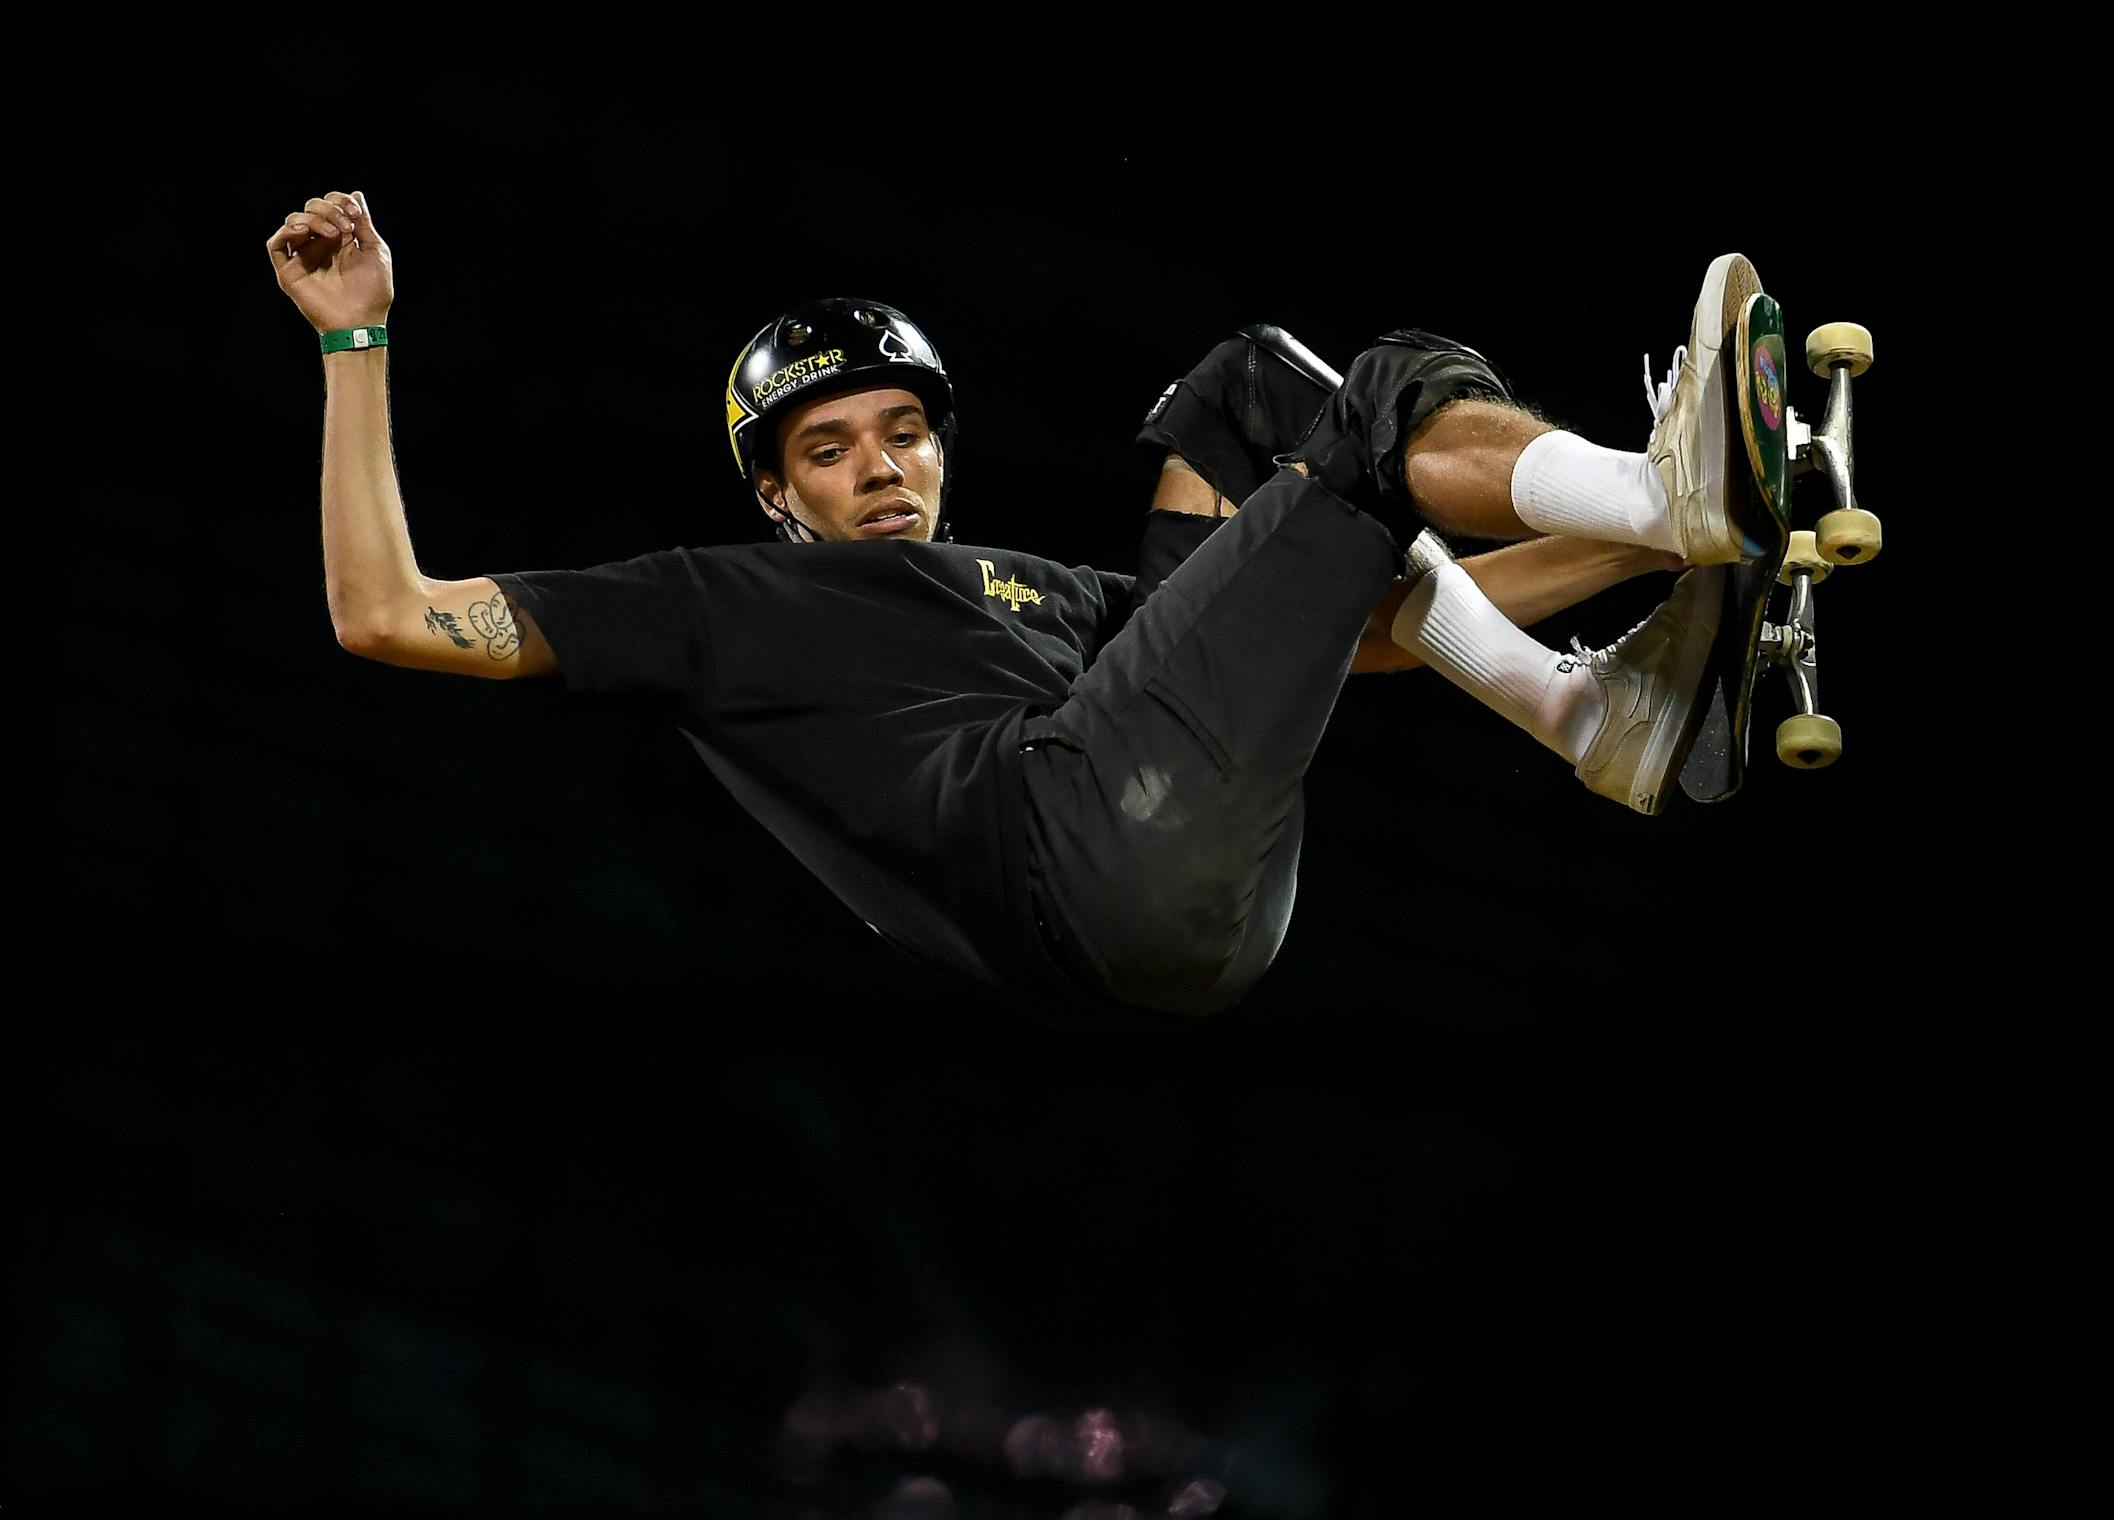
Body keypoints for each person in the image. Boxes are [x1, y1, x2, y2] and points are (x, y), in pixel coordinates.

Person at [271, 186, 1758, 1022]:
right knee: (1377, 402)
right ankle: (1634, 556)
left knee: (1243, 390)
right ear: (779, 496)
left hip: (1188, 892)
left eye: (903, 433)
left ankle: (1617, 651)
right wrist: (360, 341)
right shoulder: (716, 607)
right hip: (1075, 836)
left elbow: (1364, 630)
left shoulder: (1025, 596)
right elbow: (387, 612)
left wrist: (1687, 558)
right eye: (829, 450)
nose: (879, 468)